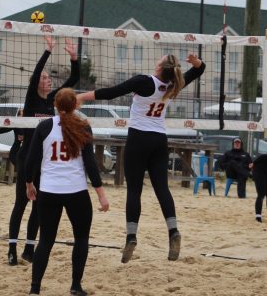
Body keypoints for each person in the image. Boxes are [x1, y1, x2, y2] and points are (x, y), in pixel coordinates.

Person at [77, 53, 205, 263]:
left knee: (134, 190)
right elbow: (199, 70)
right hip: (159, 140)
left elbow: (110, 93)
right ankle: (173, 231)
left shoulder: (144, 82)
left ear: (160, 65)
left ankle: (131, 237)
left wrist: (81, 97)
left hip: (138, 139)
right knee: (162, 188)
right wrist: (197, 62)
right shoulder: (174, 84)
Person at [25, 88, 109, 295]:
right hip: (76, 191)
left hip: (49, 191)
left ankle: (35, 289)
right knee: (81, 239)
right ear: (76, 106)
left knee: (45, 240)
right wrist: (101, 194)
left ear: (55, 105)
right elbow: (90, 164)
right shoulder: (84, 126)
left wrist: (29, 184)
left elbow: (31, 160)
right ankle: (75, 286)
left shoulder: (44, 127)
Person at [8, 35, 80, 266]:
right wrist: (48, 50)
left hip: (44, 162)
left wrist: (74, 58)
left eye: (50, 78)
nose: (48, 80)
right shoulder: (31, 100)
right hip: (26, 158)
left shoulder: (52, 100)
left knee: (38, 208)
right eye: (45, 78)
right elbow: (37, 72)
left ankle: (29, 249)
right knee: (21, 204)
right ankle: (12, 248)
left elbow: (75, 79)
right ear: (36, 81)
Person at [0, 108, 24, 173]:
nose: (23, 117)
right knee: (16, 161)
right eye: (21, 115)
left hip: (27, 148)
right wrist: (8, 123)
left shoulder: (31, 124)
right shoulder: (15, 124)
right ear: (18, 116)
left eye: (24, 115)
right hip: (17, 148)